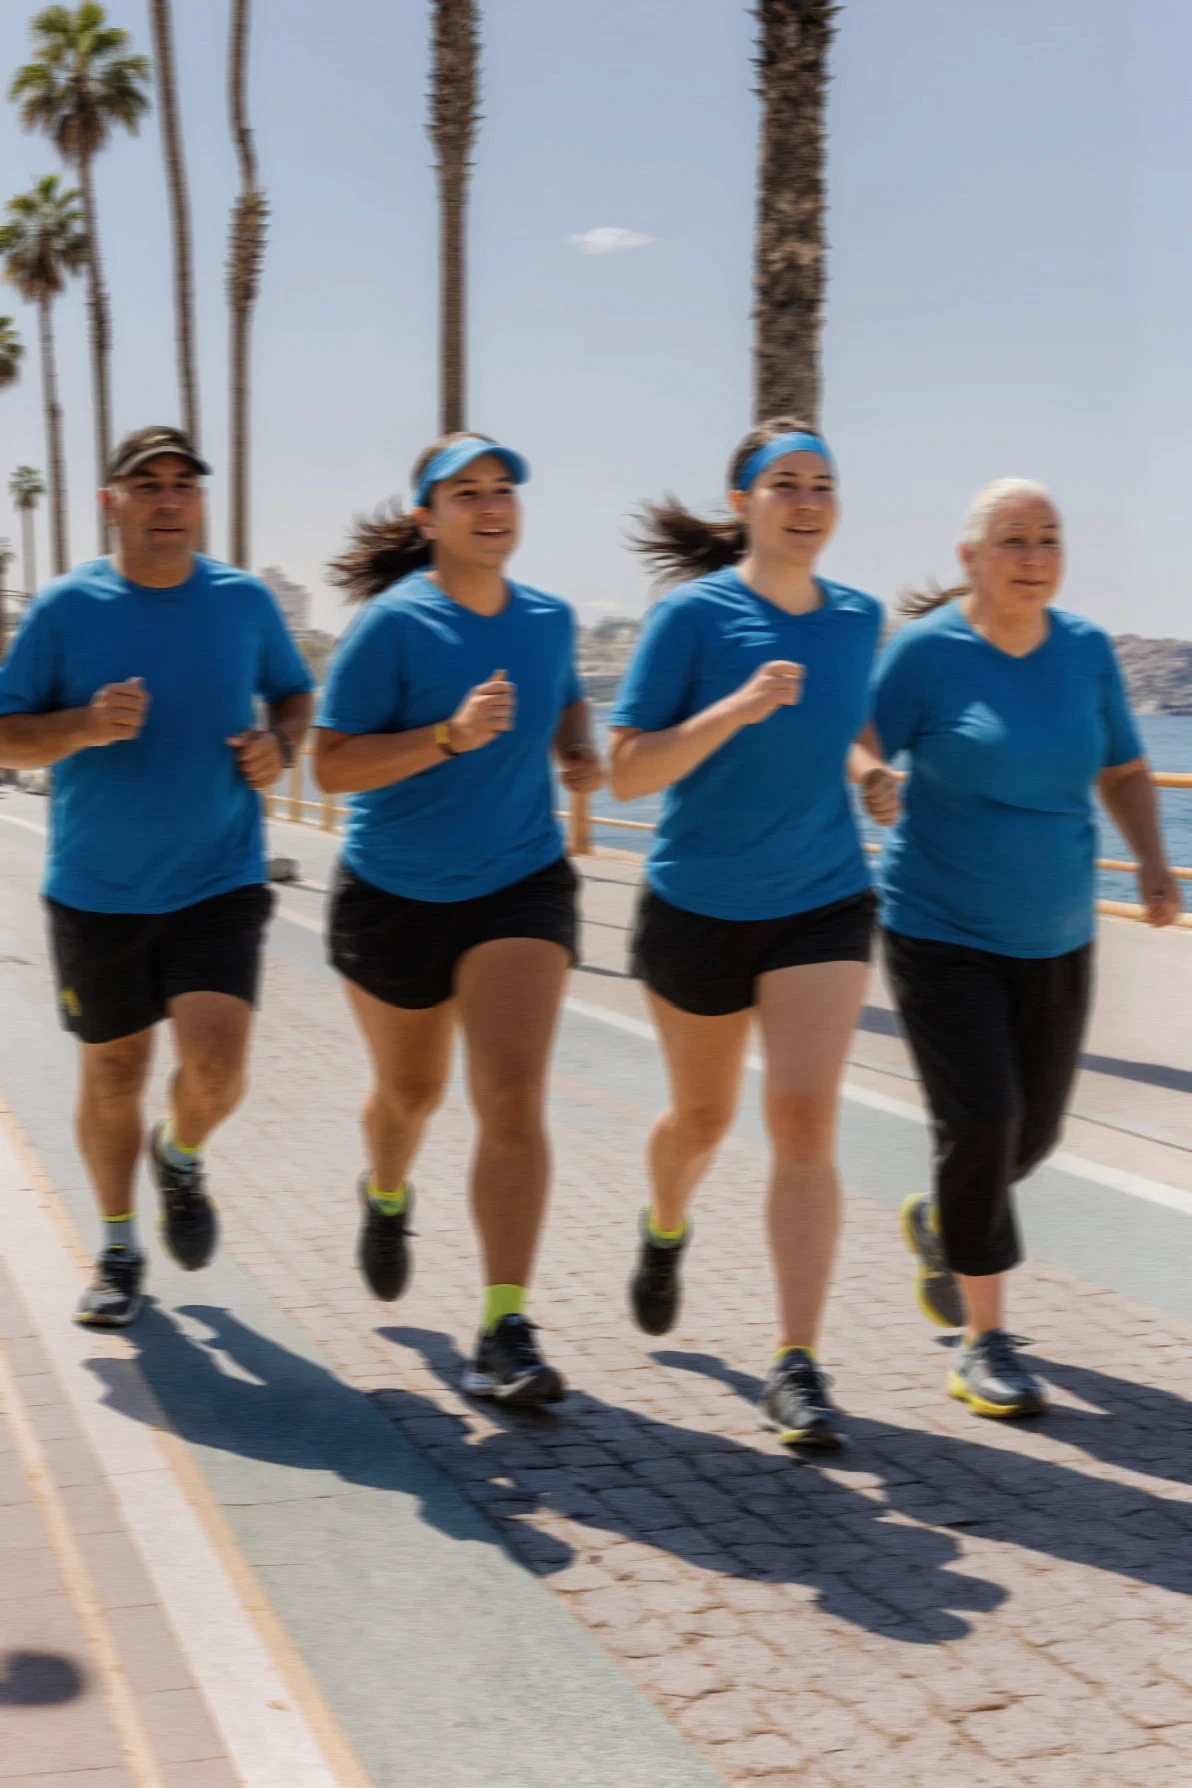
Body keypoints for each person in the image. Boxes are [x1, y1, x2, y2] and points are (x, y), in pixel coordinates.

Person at [608, 418, 899, 1450]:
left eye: (823, 483)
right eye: (785, 483)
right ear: (741, 504)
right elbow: (628, 769)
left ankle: (796, 1364)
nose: (807, 500)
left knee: (803, 1116)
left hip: (821, 897)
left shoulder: (857, 618)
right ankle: (664, 1226)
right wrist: (732, 709)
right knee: (701, 1118)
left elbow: (850, 725)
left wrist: (869, 773)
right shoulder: (691, 619)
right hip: (697, 903)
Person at [871, 478, 1180, 1418]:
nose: (1034, 556)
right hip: (938, 927)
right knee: (985, 1120)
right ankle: (983, 1339)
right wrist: (870, 775)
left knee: (1030, 1133)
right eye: (1014, 540)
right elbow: (858, 737)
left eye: (1049, 538)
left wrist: (1155, 866)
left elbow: (1124, 766)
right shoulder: (926, 654)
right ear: (970, 558)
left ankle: (942, 1220)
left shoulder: (1084, 651)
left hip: (1056, 934)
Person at [0, 427, 315, 1327]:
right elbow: (5, 731)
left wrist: (279, 745)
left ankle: (178, 1154)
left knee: (215, 1069)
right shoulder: (65, 609)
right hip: (97, 887)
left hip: (219, 876)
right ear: (114, 502)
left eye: (183, 483)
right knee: (114, 1073)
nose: (168, 498)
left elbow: (294, 695)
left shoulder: (243, 602)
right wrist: (83, 726)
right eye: (149, 485)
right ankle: (117, 1249)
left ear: (199, 500)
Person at [316, 432, 601, 1405]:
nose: (491, 505)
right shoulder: (391, 629)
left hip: (519, 882)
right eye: (466, 492)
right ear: (427, 518)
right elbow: (331, 765)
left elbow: (563, 702)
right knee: (411, 1095)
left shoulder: (550, 619)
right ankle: (386, 1193)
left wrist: (578, 750)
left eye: (503, 490)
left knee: (511, 1095)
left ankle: (504, 1324)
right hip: (393, 895)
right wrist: (445, 737)